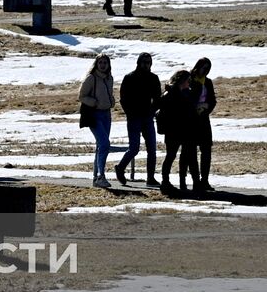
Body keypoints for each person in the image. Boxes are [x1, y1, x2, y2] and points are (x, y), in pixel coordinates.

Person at [116, 52, 163, 187]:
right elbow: (123, 99)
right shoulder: (129, 77)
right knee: (134, 148)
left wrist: (152, 111)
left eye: (148, 62)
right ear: (138, 62)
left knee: (152, 149)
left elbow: (157, 99)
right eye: (144, 62)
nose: (146, 64)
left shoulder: (153, 78)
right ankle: (120, 168)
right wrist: (130, 113)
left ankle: (151, 178)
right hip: (134, 118)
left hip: (148, 117)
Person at [158, 69, 198, 194]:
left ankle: (185, 182)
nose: (189, 83)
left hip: (185, 129)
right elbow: (166, 112)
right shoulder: (169, 93)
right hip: (173, 130)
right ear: (182, 80)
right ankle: (165, 182)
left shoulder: (187, 93)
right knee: (170, 156)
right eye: (187, 80)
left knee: (187, 156)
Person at [78, 53, 116, 188]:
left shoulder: (109, 78)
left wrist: (112, 101)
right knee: (105, 144)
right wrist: (93, 102)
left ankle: (96, 178)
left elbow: (109, 93)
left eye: (105, 63)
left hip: (107, 114)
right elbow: (81, 96)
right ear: (96, 64)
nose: (103, 65)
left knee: (101, 146)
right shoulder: (91, 78)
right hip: (94, 115)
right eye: (100, 62)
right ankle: (101, 176)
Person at [190, 57, 218, 193]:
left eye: (208, 69)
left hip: (204, 119)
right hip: (192, 120)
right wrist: (196, 106)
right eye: (204, 68)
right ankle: (195, 180)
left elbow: (213, 100)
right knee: (191, 152)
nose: (205, 71)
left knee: (206, 150)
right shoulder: (189, 79)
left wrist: (206, 108)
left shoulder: (208, 82)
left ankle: (204, 179)